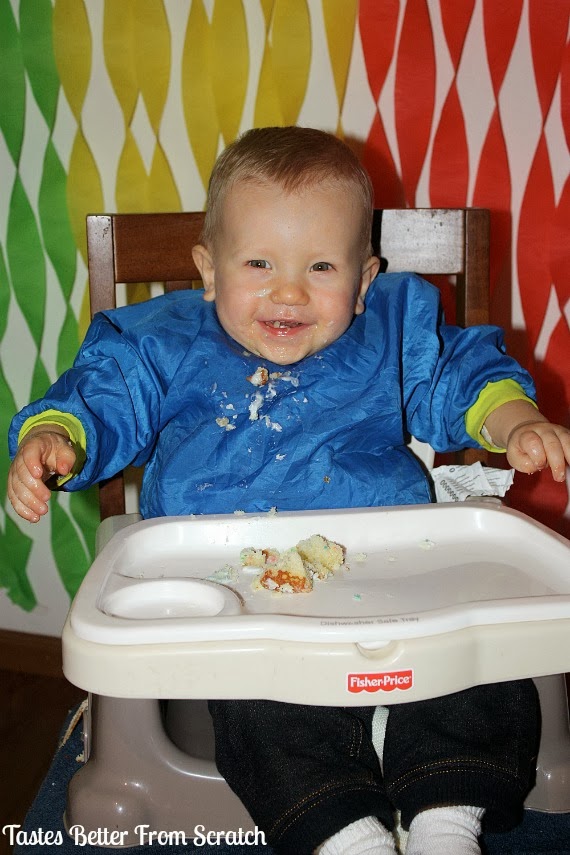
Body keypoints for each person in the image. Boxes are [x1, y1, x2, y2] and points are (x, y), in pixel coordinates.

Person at [7, 126, 570, 855]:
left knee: (475, 673)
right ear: (208, 270)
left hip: (394, 580)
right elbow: (106, 395)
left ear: (366, 279)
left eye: (322, 266)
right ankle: (350, 837)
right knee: (261, 710)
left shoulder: (394, 328)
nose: (289, 290)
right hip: (238, 602)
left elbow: (456, 375)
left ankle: (445, 821)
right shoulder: (164, 344)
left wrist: (511, 416)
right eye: (259, 262)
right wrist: (61, 436)